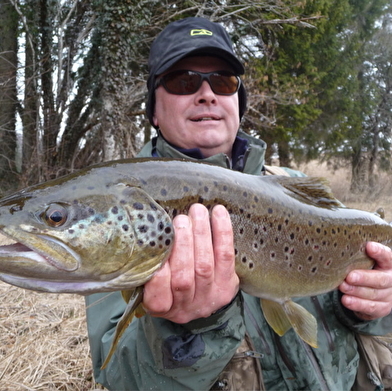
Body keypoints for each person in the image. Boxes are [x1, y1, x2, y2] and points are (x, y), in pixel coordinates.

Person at [85, 17, 392, 390]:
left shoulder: (298, 188)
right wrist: (190, 329)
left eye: (223, 81)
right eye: (183, 80)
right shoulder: (122, 214)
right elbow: (122, 379)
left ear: (237, 102)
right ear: (153, 110)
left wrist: (368, 306)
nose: (207, 93)